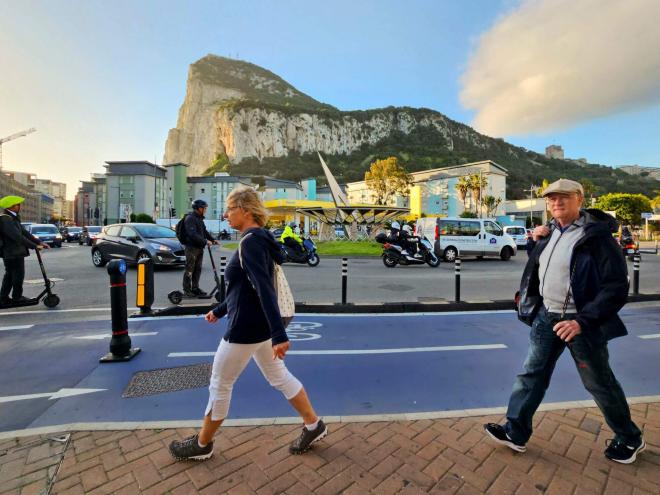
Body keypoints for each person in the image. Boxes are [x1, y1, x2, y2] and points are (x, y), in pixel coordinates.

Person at [484, 179, 645, 464]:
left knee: (599, 383)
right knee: (530, 376)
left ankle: (630, 438)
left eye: (564, 198)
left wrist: (583, 321)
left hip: (580, 324)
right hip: (547, 317)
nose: (556, 203)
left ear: (579, 199)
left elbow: (616, 286)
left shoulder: (597, 238)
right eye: (551, 199)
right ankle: (516, 431)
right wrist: (537, 242)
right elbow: (544, 268)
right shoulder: (550, 232)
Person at [169, 187, 327, 461]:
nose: (226, 214)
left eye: (230, 209)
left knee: (220, 382)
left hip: (245, 329)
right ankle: (314, 425)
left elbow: (264, 288)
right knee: (278, 376)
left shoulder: (250, 242)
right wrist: (219, 309)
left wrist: (279, 334)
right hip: (258, 326)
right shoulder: (258, 239)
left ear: (245, 210)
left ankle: (203, 444)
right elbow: (244, 288)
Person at [0, 196, 50, 305]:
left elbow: (25, 233)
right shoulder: (6, 219)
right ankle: (16, 297)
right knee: (17, 275)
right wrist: (34, 246)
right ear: (12, 206)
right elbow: (17, 236)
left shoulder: (12, 217)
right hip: (12, 252)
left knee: (10, 275)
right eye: (18, 204)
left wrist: (39, 242)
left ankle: (3, 298)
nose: (19, 206)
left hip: (14, 252)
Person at [180, 199, 217, 297]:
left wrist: (212, 240)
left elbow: (204, 232)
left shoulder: (199, 219)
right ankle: (187, 290)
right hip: (191, 248)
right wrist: (205, 241)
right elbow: (192, 234)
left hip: (199, 248)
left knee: (198, 269)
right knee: (189, 269)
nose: (205, 210)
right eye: (204, 208)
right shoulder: (190, 218)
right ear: (198, 208)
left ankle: (195, 288)